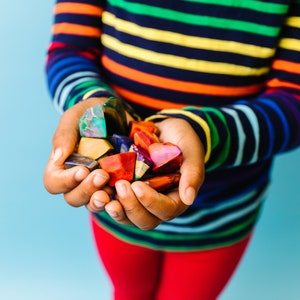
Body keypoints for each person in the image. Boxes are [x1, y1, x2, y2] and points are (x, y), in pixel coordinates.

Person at [44, 1, 300, 299]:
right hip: (114, 195)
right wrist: (96, 109)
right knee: (128, 292)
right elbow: (70, 50)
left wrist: (205, 134)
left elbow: (293, 100)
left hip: (222, 211)